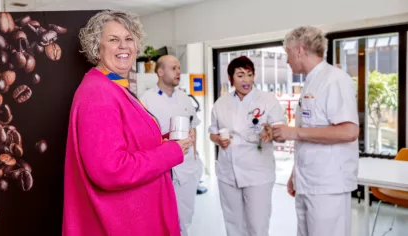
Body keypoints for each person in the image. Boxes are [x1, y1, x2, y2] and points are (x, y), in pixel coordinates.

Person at [62, 10, 194, 236]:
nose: (123, 46)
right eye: (113, 40)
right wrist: (170, 152)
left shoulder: (113, 86)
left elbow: (126, 143)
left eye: (129, 38)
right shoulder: (98, 93)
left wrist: (164, 142)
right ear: (97, 47)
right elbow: (110, 170)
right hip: (121, 223)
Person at [273, 26, 359, 236]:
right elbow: (312, 130)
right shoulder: (312, 82)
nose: (287, 60)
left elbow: (349, 131)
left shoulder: (334, 79)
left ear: (300, 50)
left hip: (328, 185)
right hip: (309, 181)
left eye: (288, 53)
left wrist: (293, 132)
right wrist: (296, 173)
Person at [208, 56, 287, 236]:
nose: (246, 80)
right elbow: (212, 132)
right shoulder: (221, 103)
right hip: (228, 171)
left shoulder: (267, 100)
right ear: (231, 78)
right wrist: (218, 140)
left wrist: (271, 132)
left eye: (250, 75)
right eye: (241, 75)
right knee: (233, 224)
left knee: (257, 225)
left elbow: (281, 130)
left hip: (257, 172)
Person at [140, 55, 203, 236]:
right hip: (161, 170)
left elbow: (193, 127)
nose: (178, 72)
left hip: (186, 168)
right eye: (173, 68)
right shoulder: (147, 99)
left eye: (179, 68)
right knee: (163, 221)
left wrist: (194, 156)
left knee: (185, 218)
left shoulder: (184, 97)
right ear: (160, 72)